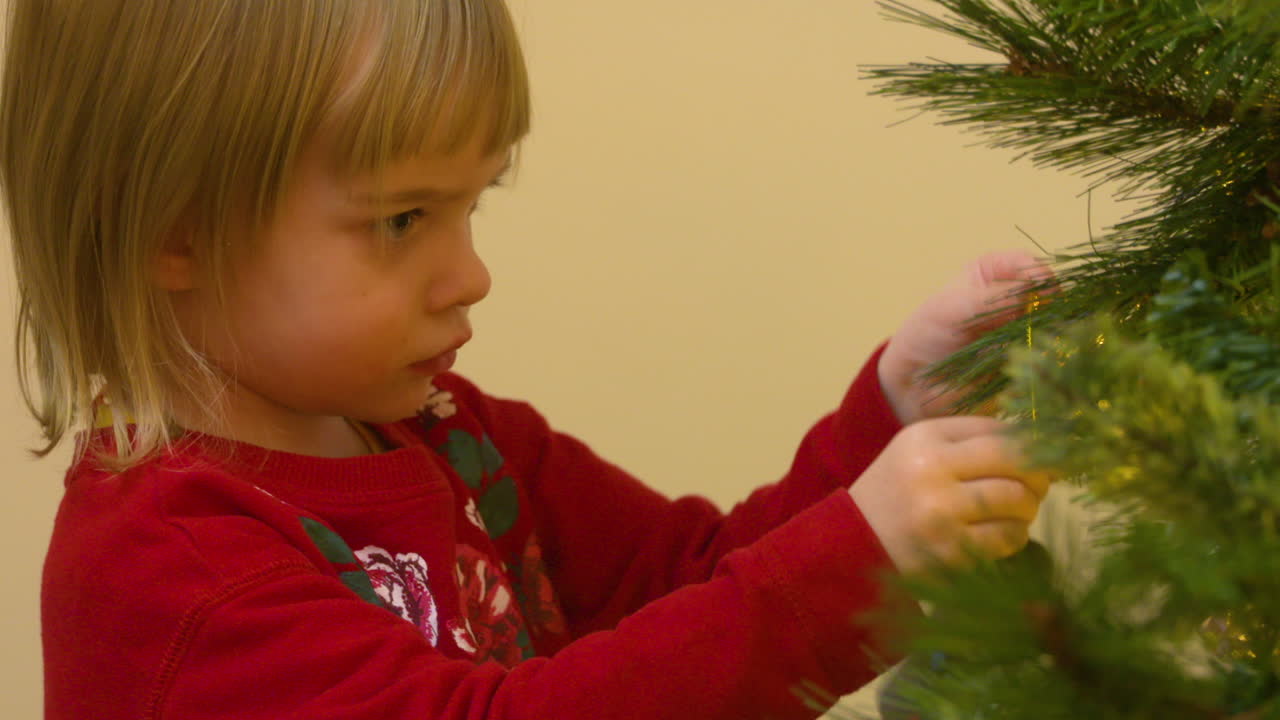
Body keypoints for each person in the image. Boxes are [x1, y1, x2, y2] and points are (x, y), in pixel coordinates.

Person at [5, 2, 1052, 718]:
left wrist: (894, 416)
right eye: (402, 219)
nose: (470, 276)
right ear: (175, 230)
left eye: (473, 205)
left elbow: (686, 585)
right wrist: (853, 558)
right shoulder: (169, 573)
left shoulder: (451, 432)